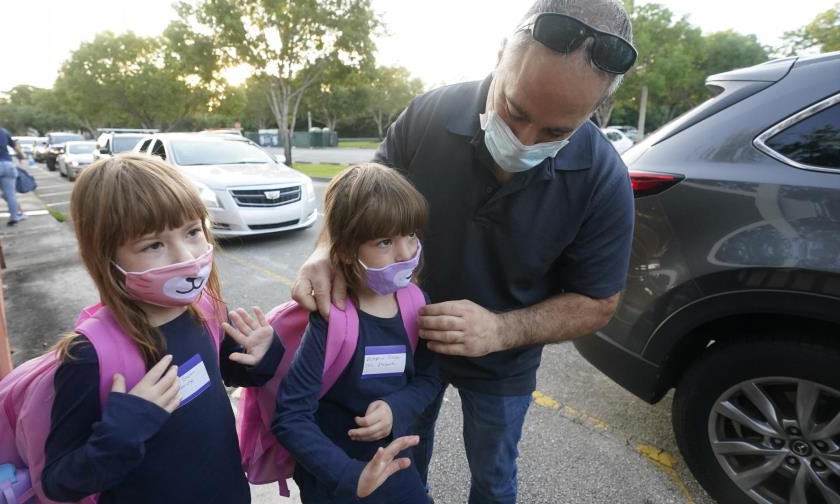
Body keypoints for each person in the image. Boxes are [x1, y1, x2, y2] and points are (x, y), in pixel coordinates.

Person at [291, 1, 637, 503]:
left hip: (503, 365)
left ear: (595, 109)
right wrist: (324, 251)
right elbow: (358, 200)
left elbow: (598, 301)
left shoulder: (604, 177)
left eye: (556, 132)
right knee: (402, 464)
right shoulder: (429, 114)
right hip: (400, 344)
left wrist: (500, 330)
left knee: (494, 480)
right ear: (500, 55)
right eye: (515, 111)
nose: (523, 141)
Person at [41, 153, 284, 503]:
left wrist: (262, 355)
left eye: (193, 232)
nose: (186, 257)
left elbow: (232, 373)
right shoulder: (89, 356)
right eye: (153, 245)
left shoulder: (205, 309)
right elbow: (58, 482)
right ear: (105, 258)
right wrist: (123, 432)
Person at [273, 163, 441, 504]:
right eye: (385, 242)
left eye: (410, 235)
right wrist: (350, 476)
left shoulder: (416, 302)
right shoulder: (330, 320)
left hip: (395, 467)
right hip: (334, 478)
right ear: (347, 251)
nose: (406, 253)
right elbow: (291, 416)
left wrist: (396, 408)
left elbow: (429, 378)